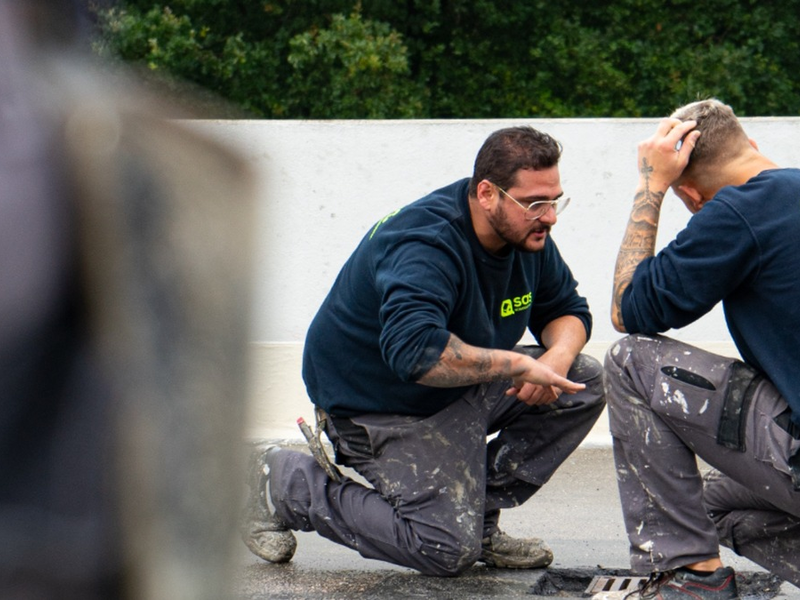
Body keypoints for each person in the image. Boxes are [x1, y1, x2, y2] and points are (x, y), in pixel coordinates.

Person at [241, 126, 605, 576]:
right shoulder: (425, 244)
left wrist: (557, 356)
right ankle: (281, 482)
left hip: (457, 389)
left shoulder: (524, 236)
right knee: (444, 549)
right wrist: (518, 363)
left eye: (555, 200)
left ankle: (478, 520)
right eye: (535, 203)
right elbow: (415, 353)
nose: (549, 217)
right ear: (487, 193)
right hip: (377, 408)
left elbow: (566, 309)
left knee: (582, 381)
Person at [599, 99, 800, 600]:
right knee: (706, 503)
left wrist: (650, 185)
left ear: (692, 195)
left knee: (629, 360)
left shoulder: (737, 212)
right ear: (751, 145)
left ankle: (694, 578)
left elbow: (629, 310)